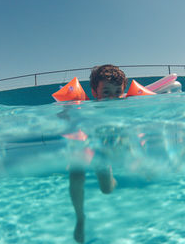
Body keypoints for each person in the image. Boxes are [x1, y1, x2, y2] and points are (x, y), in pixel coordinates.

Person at [69, 64, 128, 243]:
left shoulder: (124, 109)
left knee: (106, 189)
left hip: (104, 150)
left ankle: (113, 182)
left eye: (117, 92)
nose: (112, 98)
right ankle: (80, 218)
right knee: (76, 173)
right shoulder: (85, 107)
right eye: (106, 93)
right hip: (85, 146)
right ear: (94, 92)